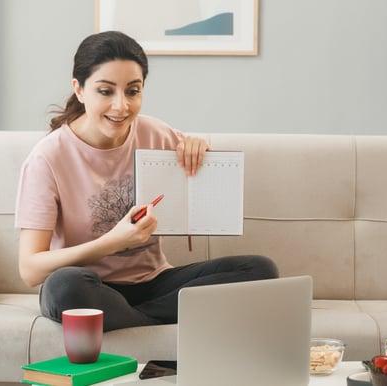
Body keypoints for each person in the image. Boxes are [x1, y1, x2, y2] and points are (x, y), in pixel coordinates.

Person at [15, 31, 278, 332]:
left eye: (132, 91)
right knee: (65, 285)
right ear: (79, 89)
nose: (121, 106)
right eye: (105, 91)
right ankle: (159, 322)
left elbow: (201, 184)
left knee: (260, 270)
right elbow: (30, 269)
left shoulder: (157, 135)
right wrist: (110, 243)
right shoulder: (47, 158)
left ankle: (130, 321)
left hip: (154, 284)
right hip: (90, 286)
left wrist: (198, 148)